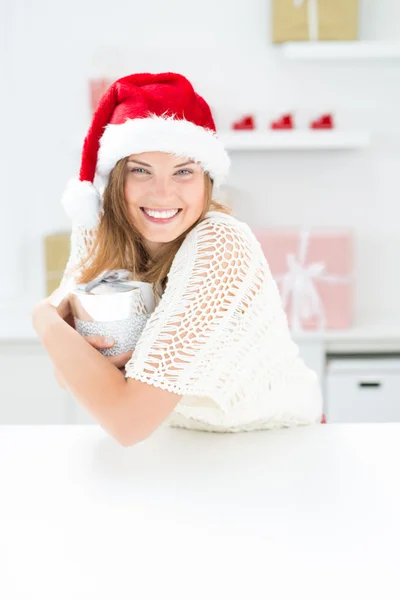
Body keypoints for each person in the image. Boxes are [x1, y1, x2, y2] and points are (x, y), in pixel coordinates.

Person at [32, 72, 323, 446]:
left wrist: (44, 318)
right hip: (180, 444)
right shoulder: (101, 232)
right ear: (115, 179)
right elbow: (68, 374)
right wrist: (94, 358)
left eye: (183, 171)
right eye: (141, 170)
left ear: (207, 182)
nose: (163, 193)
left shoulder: (220, 243)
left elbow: (127, 422)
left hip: (278, 444)